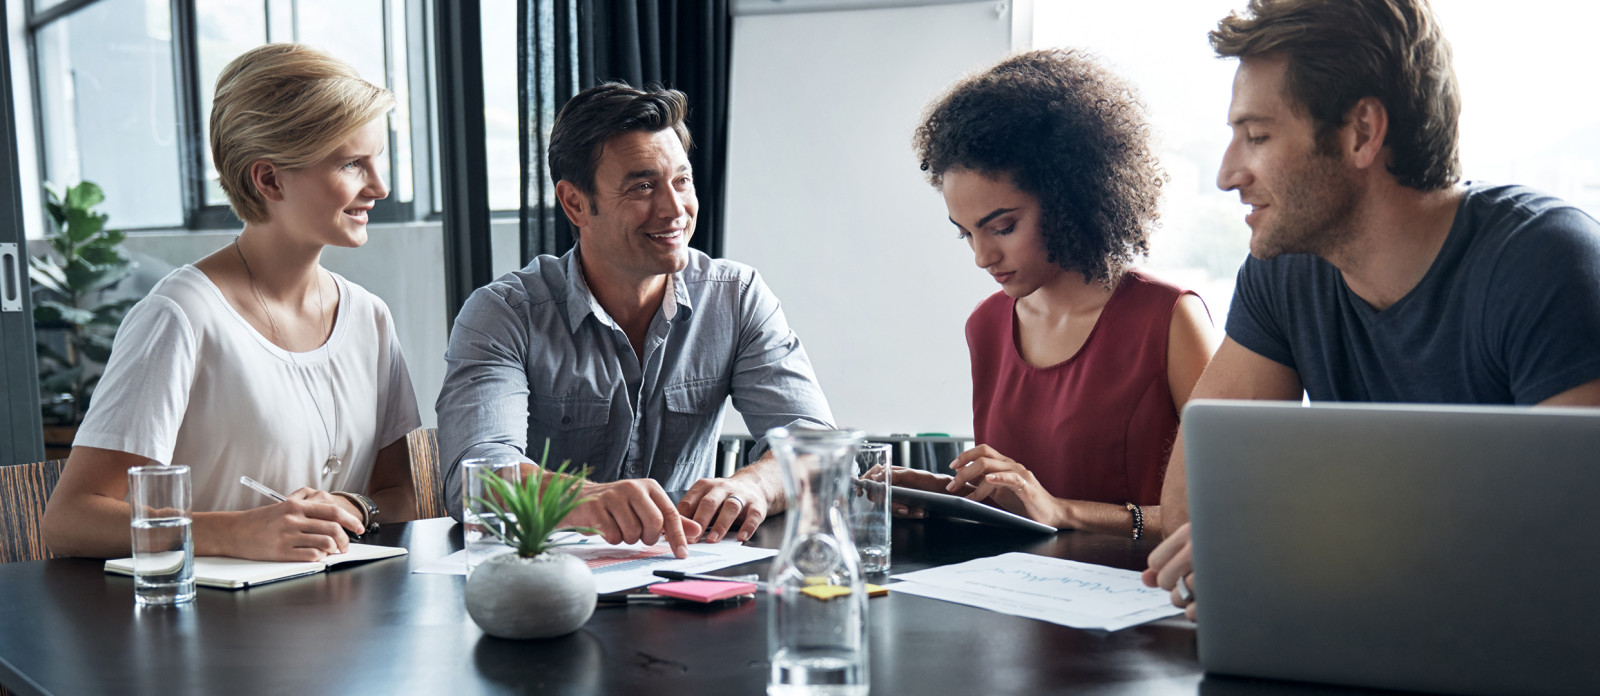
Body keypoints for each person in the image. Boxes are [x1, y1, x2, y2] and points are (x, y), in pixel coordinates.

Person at [1143, 0, 1600, 620]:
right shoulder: (1283, 269)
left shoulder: (1548, 262)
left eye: (1257, 136)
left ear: (1361, 132)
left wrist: (1298, 549)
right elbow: (1193, 507)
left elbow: (1572, 546)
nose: (1227, 174)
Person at [42, 44, 422, 561]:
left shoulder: (370, 318)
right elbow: (70, 519)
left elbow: (401, 495)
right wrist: (236, 532)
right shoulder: (181, 317)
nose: (379, 186)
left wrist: (349, 505)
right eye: (352, 164)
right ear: (267, 179)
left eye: (376, 159)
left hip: (343, 617)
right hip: (206, 627)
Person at [436, 82, 833, 559]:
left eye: (681, 181)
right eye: (642, 186)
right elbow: (474, 482)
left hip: (689, 582)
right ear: (575, 203)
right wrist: (587, 499)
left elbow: (816, 448)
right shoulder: (505, 314)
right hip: (542, 588)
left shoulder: (737, 297)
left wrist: (755, 486)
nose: (674, 210)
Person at [878, 49, 1215, 537]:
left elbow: (1232, 509)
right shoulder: (987, 326)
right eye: (966, 233)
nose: (982, 256)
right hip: (1019, 597)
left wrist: (1064, 511)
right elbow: (1027, 503)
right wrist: (946, 494)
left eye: (1003, 226)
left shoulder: (1168, 319)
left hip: (1137, 600)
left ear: (1069, 195)